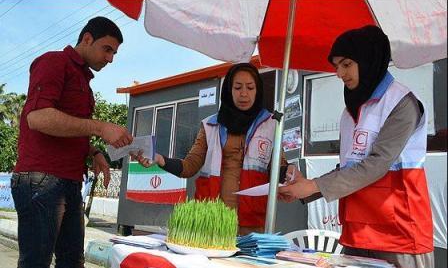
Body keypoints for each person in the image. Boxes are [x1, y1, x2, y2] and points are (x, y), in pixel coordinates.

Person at [279, 25, 434, 268]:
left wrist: (313, 185)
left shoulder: (402, 104)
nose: (339, 73)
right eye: (336, 66)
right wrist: (306, 188)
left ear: (369, 59)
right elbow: (350, 167)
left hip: (399, 235)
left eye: (347, 64)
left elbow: (376, 164)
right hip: (356, 233)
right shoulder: (350, 112)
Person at [12, 16, 133, 268]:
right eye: (107, 49)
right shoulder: (54, 62)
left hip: (68, 181)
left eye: (114, 53)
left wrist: (94, 151)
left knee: (72, 262)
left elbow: (68, 128)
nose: (110, 58)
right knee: (36, 263)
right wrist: (100, 127)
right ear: (87, 39)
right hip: (42, 179)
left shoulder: (84, 82)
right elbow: (38, 117)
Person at [133, 63, 293, 235]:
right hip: (213, 223)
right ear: (228, 91)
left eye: (250, 87)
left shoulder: (271, 125)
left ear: (258, 91)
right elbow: (189, 166)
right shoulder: (210, 125)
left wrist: (289, 173)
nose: (244, 93)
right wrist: (159, 159)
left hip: (253, 225)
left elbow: (279, 167)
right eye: (237, 87)